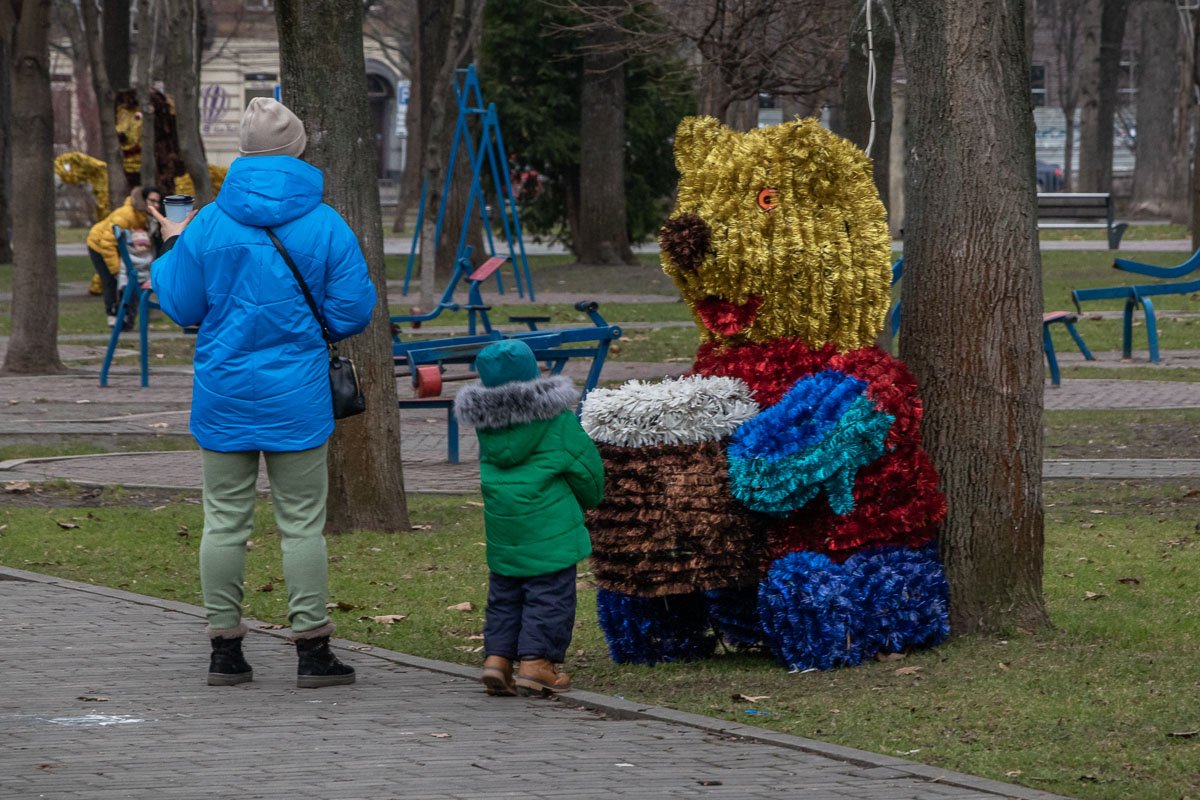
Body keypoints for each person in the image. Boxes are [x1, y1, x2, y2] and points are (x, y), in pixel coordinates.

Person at [148, 97, 376, 689]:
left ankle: (225, 651)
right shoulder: (326, 223)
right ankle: (312, 651)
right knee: (301, 525)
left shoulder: (210, 225)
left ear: (243, 154)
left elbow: (181, 306)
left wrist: (173, 241)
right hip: (297, 392)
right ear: (298, 150)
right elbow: (352, 312)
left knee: (223, 522)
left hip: (222, 388)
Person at [453, 340, 605, 696]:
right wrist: (591, 499)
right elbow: (588, 470)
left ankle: (498, 660)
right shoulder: (558, 421)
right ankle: (538, 664)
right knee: (550, 595)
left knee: (505, 593)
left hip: (505, 528)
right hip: (550, 528)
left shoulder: (487, 426)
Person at [87, 185, 163, 327]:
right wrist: (116, 270)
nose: (156, 205)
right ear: (143, 200)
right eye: (152, 201)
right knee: (111, 280)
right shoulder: (126, 214)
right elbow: (107, 242)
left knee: (132, 282)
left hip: (122, 250)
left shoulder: (148, 217)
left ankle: (127, 318)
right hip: (99, 244)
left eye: (158, 202)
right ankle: (113, 315)